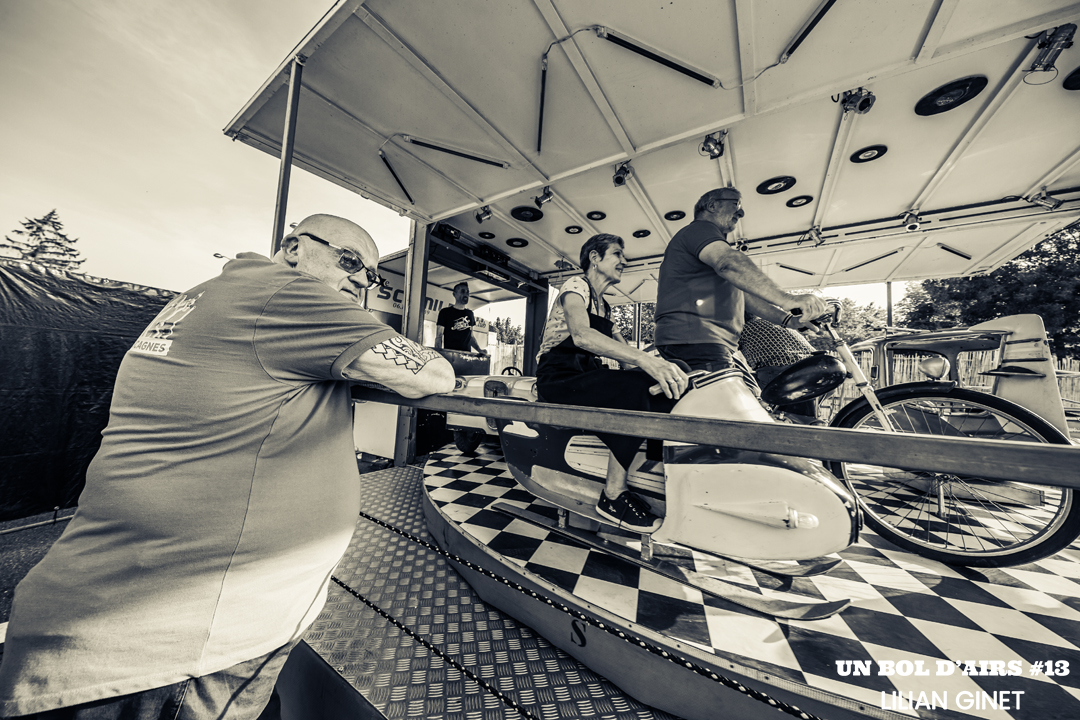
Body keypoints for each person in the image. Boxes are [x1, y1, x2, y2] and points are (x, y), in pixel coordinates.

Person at [0, 214, 455, 719]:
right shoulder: (294, 295)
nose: (360, 280)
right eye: (349, 260)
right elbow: (432, 376)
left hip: (110, 615)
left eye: (370, 274)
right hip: (183, 647)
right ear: (294, 247)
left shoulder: (211, 294)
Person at [536, 233, 689, 533]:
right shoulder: (576, 287)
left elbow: (629, 360)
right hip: (558, 377)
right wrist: (645, 362)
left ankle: (656, 473)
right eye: (617, 253)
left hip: (584, 374)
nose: (624, 260)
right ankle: (613, 495)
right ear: (595, 258)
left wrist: (670, 363)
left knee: (661, 382)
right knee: (634, 387)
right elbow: (582, 336)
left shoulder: (605, 307)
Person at [654, 187, 827, 373]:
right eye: (736, 204)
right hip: (698, 338)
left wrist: (788, 321)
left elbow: (744, 297)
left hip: (703, 340)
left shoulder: (706, 249)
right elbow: (727, 262)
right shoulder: (700, 229)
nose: (741, 212)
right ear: (712, 206)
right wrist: (787, 299)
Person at [738, 314, 820, 421]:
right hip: (815, 368)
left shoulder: (741, 328)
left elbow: (725, 353)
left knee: (738, 384)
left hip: (781, 373)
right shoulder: (776, 321)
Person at [435, 281, 486, 354]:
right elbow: (439, 336)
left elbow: (471, 337)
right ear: (454, 294)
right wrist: (438, 354)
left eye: (467, 292)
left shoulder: (470, 314)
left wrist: (479, 350)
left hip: (466, 356)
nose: (466, 294)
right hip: (450, 355)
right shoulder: (445, 312)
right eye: (462, 291)